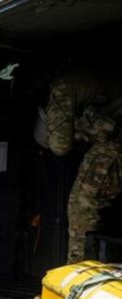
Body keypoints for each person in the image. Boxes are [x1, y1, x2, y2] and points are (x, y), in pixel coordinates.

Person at [34, 59, 122, 264]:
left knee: (81, 204)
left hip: (117, 140)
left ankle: (79, 272)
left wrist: (76, 130)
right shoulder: (88, 70)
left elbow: (59, 145)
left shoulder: (62, 85)